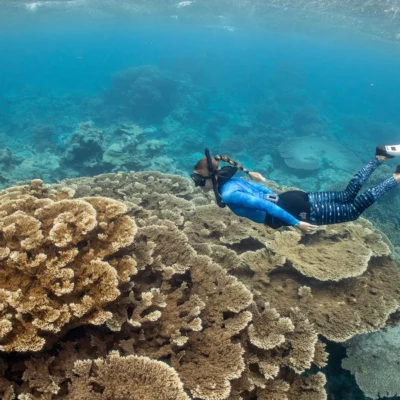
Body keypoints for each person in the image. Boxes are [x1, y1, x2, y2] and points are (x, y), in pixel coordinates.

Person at [190, 146, 400, 232]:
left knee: (353, 210)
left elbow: (264, 205)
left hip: (296, 210)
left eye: (199, 180)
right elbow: (263, 193)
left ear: (210, 177)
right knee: (347, 195)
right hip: (291, 198)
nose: (198, 185)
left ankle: (396, 178)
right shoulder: (230, 180)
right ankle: (380, 157)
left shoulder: (228, 194)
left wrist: (296, 223)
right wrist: (286, 204)